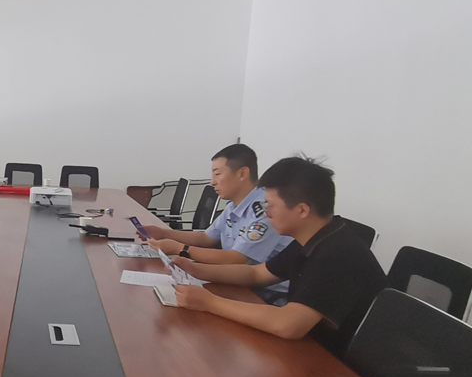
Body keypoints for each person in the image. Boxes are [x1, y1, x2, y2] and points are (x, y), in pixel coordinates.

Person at [170, 156, 387, 358]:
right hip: (315, 347)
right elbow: (257, 273)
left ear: (302, 210)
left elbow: (288, 324)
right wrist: (196, 269)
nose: (266, 213)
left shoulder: (337, 254)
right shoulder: (314, 237)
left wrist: (209, 302)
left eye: (270, 205)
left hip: (347, 367)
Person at [141, 144, 293, 301]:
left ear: (242, 173)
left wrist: (180, 248)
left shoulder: (266, 211)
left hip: (267, 293)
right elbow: (205, 238)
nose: (212, 182)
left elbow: (236, 259)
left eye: (217, 174)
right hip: (236, 280)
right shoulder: (233, 206)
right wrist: (162, 233)